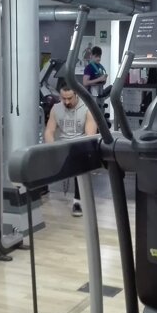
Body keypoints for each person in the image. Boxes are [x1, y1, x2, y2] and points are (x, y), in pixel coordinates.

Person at [44, 86, 97, 216]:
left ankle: (78, 201)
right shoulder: (56, 108)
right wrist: (51, 148)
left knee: (80, 156)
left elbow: (90, 137)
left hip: (81, 145)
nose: (67, 102)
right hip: (63, 146)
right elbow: (49, 131)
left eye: (69, 98)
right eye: (63, 98)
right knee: (36, 155)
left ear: (76, 95)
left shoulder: (87, 108)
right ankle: (36, 192)